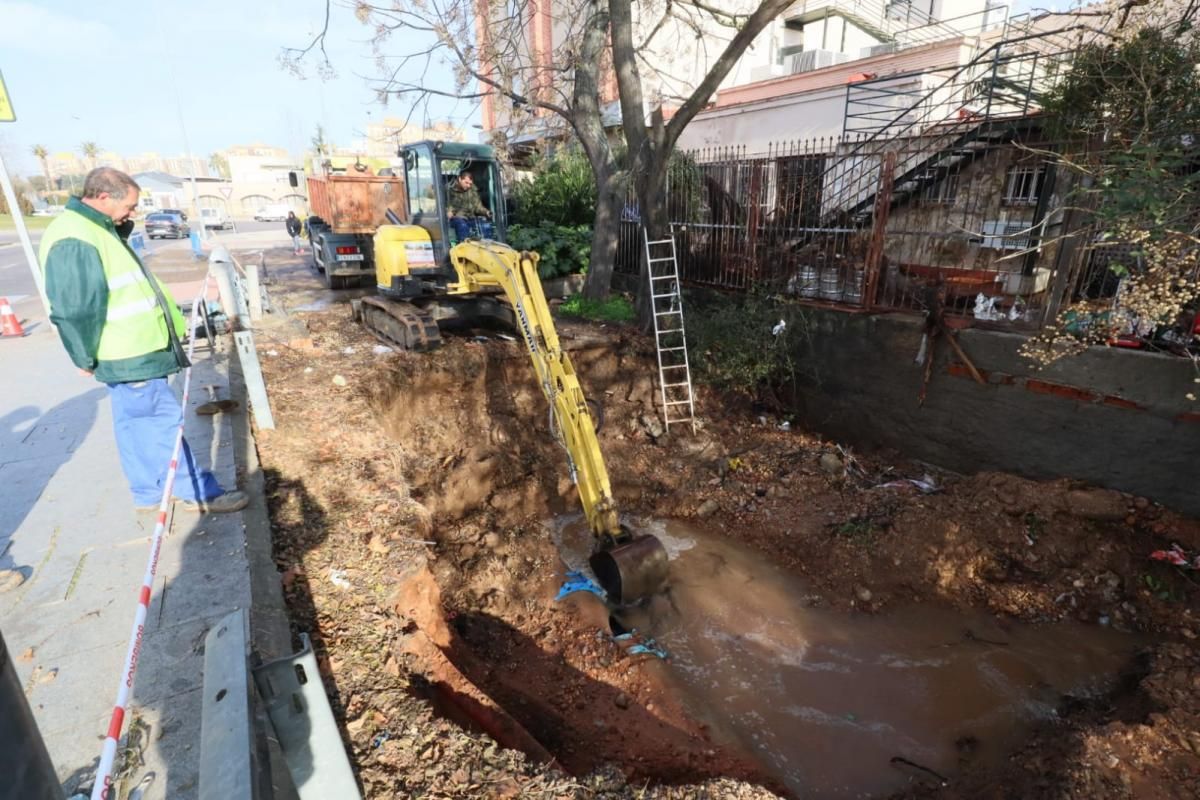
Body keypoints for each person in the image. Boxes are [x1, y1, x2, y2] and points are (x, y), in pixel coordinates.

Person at [38, 168, 248, 513]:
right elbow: (75, 306)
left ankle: (149, 491)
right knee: (161, 424)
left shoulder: (93, 229)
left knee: (134, 426)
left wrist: (119, 226)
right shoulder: (77, 237)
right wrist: (83, 356)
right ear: (103, 197)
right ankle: (197, 491)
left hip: (127, 352)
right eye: (130, 206)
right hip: (130, 353)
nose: (133, 213)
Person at [445, 168, 492, 241]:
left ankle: (487, 247)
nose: (468, 186)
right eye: (466, 183)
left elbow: (477, 206)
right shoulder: (449, 190)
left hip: (470, 218)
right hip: (456, 218)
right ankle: (464, 247)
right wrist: (448, 211)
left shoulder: (472, 190)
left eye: (470, 183)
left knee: (486, 226)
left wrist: (486, 212)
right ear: (460, 179)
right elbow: (443, 204)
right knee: (462, 225)